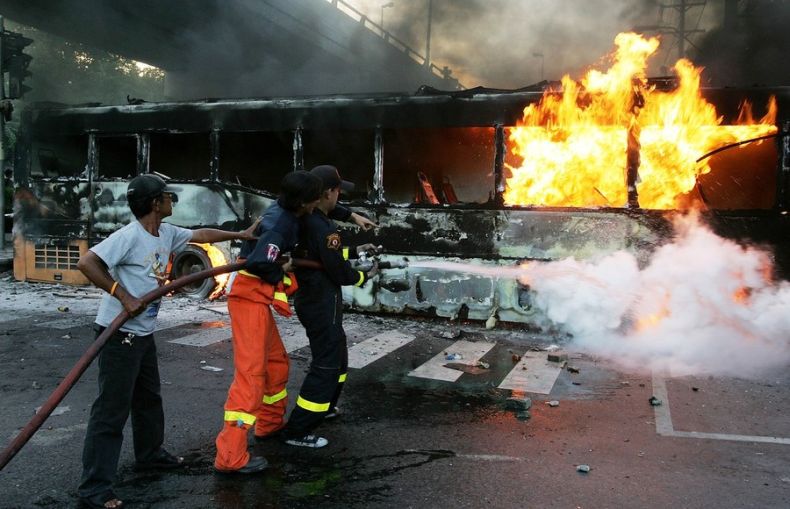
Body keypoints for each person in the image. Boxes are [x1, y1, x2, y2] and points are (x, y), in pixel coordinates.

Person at [76, 173, 260, 509]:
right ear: (153, 203)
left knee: (148, 399)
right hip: (118, 334)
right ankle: (94, 488)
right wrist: (124, 296)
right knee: (111, 411)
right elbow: (87, 261)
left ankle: (149, 455)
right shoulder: (129, 236)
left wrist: (240, 234)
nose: (171, 201)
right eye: (166, 196)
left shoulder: (165, 233)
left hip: (142, 333)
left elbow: (201, 234)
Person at [213, 170, 375, 473]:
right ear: (304, 203)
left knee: (277, 366)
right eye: (314, 202)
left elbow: (325, 203)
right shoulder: (280, 226)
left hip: (259, 299)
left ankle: (268, 427)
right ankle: (230, 458)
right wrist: (281, 268)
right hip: (248, 298)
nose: (317, 207)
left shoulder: (291, 207)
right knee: (251, 377)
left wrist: (351, 215)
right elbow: (261, 261)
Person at [280, 165, 379, 448]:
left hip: (316, 300)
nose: (339, 196)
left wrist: (355, 247)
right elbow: (336, 268)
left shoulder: (312, 218)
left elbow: (323, 255)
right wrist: (363, 275)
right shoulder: (323, 227)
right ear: (327, 193)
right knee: (327, 363)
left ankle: (326, 406)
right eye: (337, 191)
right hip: (320, 302)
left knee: (339, 356)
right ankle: (298, 430)